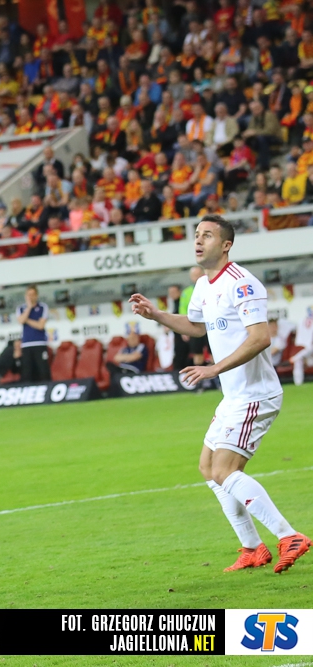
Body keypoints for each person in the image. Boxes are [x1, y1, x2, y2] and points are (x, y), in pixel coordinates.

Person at [130, 214, 309, 573]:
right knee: (208, 469)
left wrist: (213, 368)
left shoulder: (242, 284)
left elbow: (261, 338)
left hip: (255, 394)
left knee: (224, 470)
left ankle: (288, 535)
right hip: (235, 394)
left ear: (226, 245)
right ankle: (252, 548)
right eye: (196, 235)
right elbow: (196, 327)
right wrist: (158, 315)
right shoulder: (203, 285)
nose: (198, 241)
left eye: (207, 235)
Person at [16, 286, 50, 381]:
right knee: (27, 372)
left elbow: (40, 325)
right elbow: (20, 321)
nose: (30, 297)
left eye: (32, 294)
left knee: (43, 370)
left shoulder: (43, 307)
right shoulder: (21, 308)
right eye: (28, 295)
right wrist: (29, 308)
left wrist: (26, 320)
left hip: (40, 343)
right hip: (26, 344)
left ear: (37, 295)